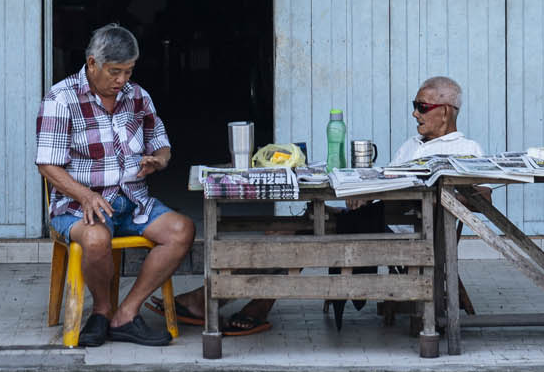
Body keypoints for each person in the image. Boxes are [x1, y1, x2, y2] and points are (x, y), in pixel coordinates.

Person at [220, 75, 480, 337]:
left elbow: (483, 200)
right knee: (283, 232)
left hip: (412, 234)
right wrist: (364, 193)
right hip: (379, 220)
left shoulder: (465, 148)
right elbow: (388, 184)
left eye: (422, 107)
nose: (415, 113)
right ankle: (228, 296)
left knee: (298, 236)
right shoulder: (411, 145)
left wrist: (441, 194)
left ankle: (252, 303)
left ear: (445, 112)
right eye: (415, 105)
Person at [35, 23, 205, 347]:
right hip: (78, 205)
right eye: (115, 72)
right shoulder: (61, 99)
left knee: (182, 230)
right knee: (97, 239)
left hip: (133, 201)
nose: (122, 80)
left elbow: (163, 144)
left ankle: (125, 314)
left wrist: (159, 160)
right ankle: (101, 310)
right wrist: (84, 195)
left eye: (128, 71)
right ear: (92, 64)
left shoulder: (137, 96)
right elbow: (47, 164)